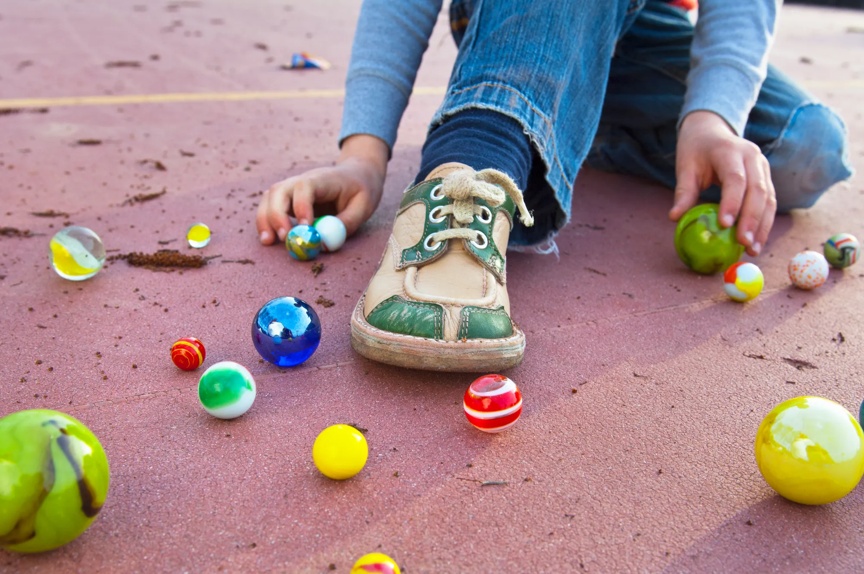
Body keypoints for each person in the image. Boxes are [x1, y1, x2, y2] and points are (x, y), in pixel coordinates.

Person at [255, 0, 852, 372]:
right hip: (520, 12)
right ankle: (480, 147)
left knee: (806, 148)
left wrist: (712, 119)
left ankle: (555, 126)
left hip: (642, 24)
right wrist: (363, 155)